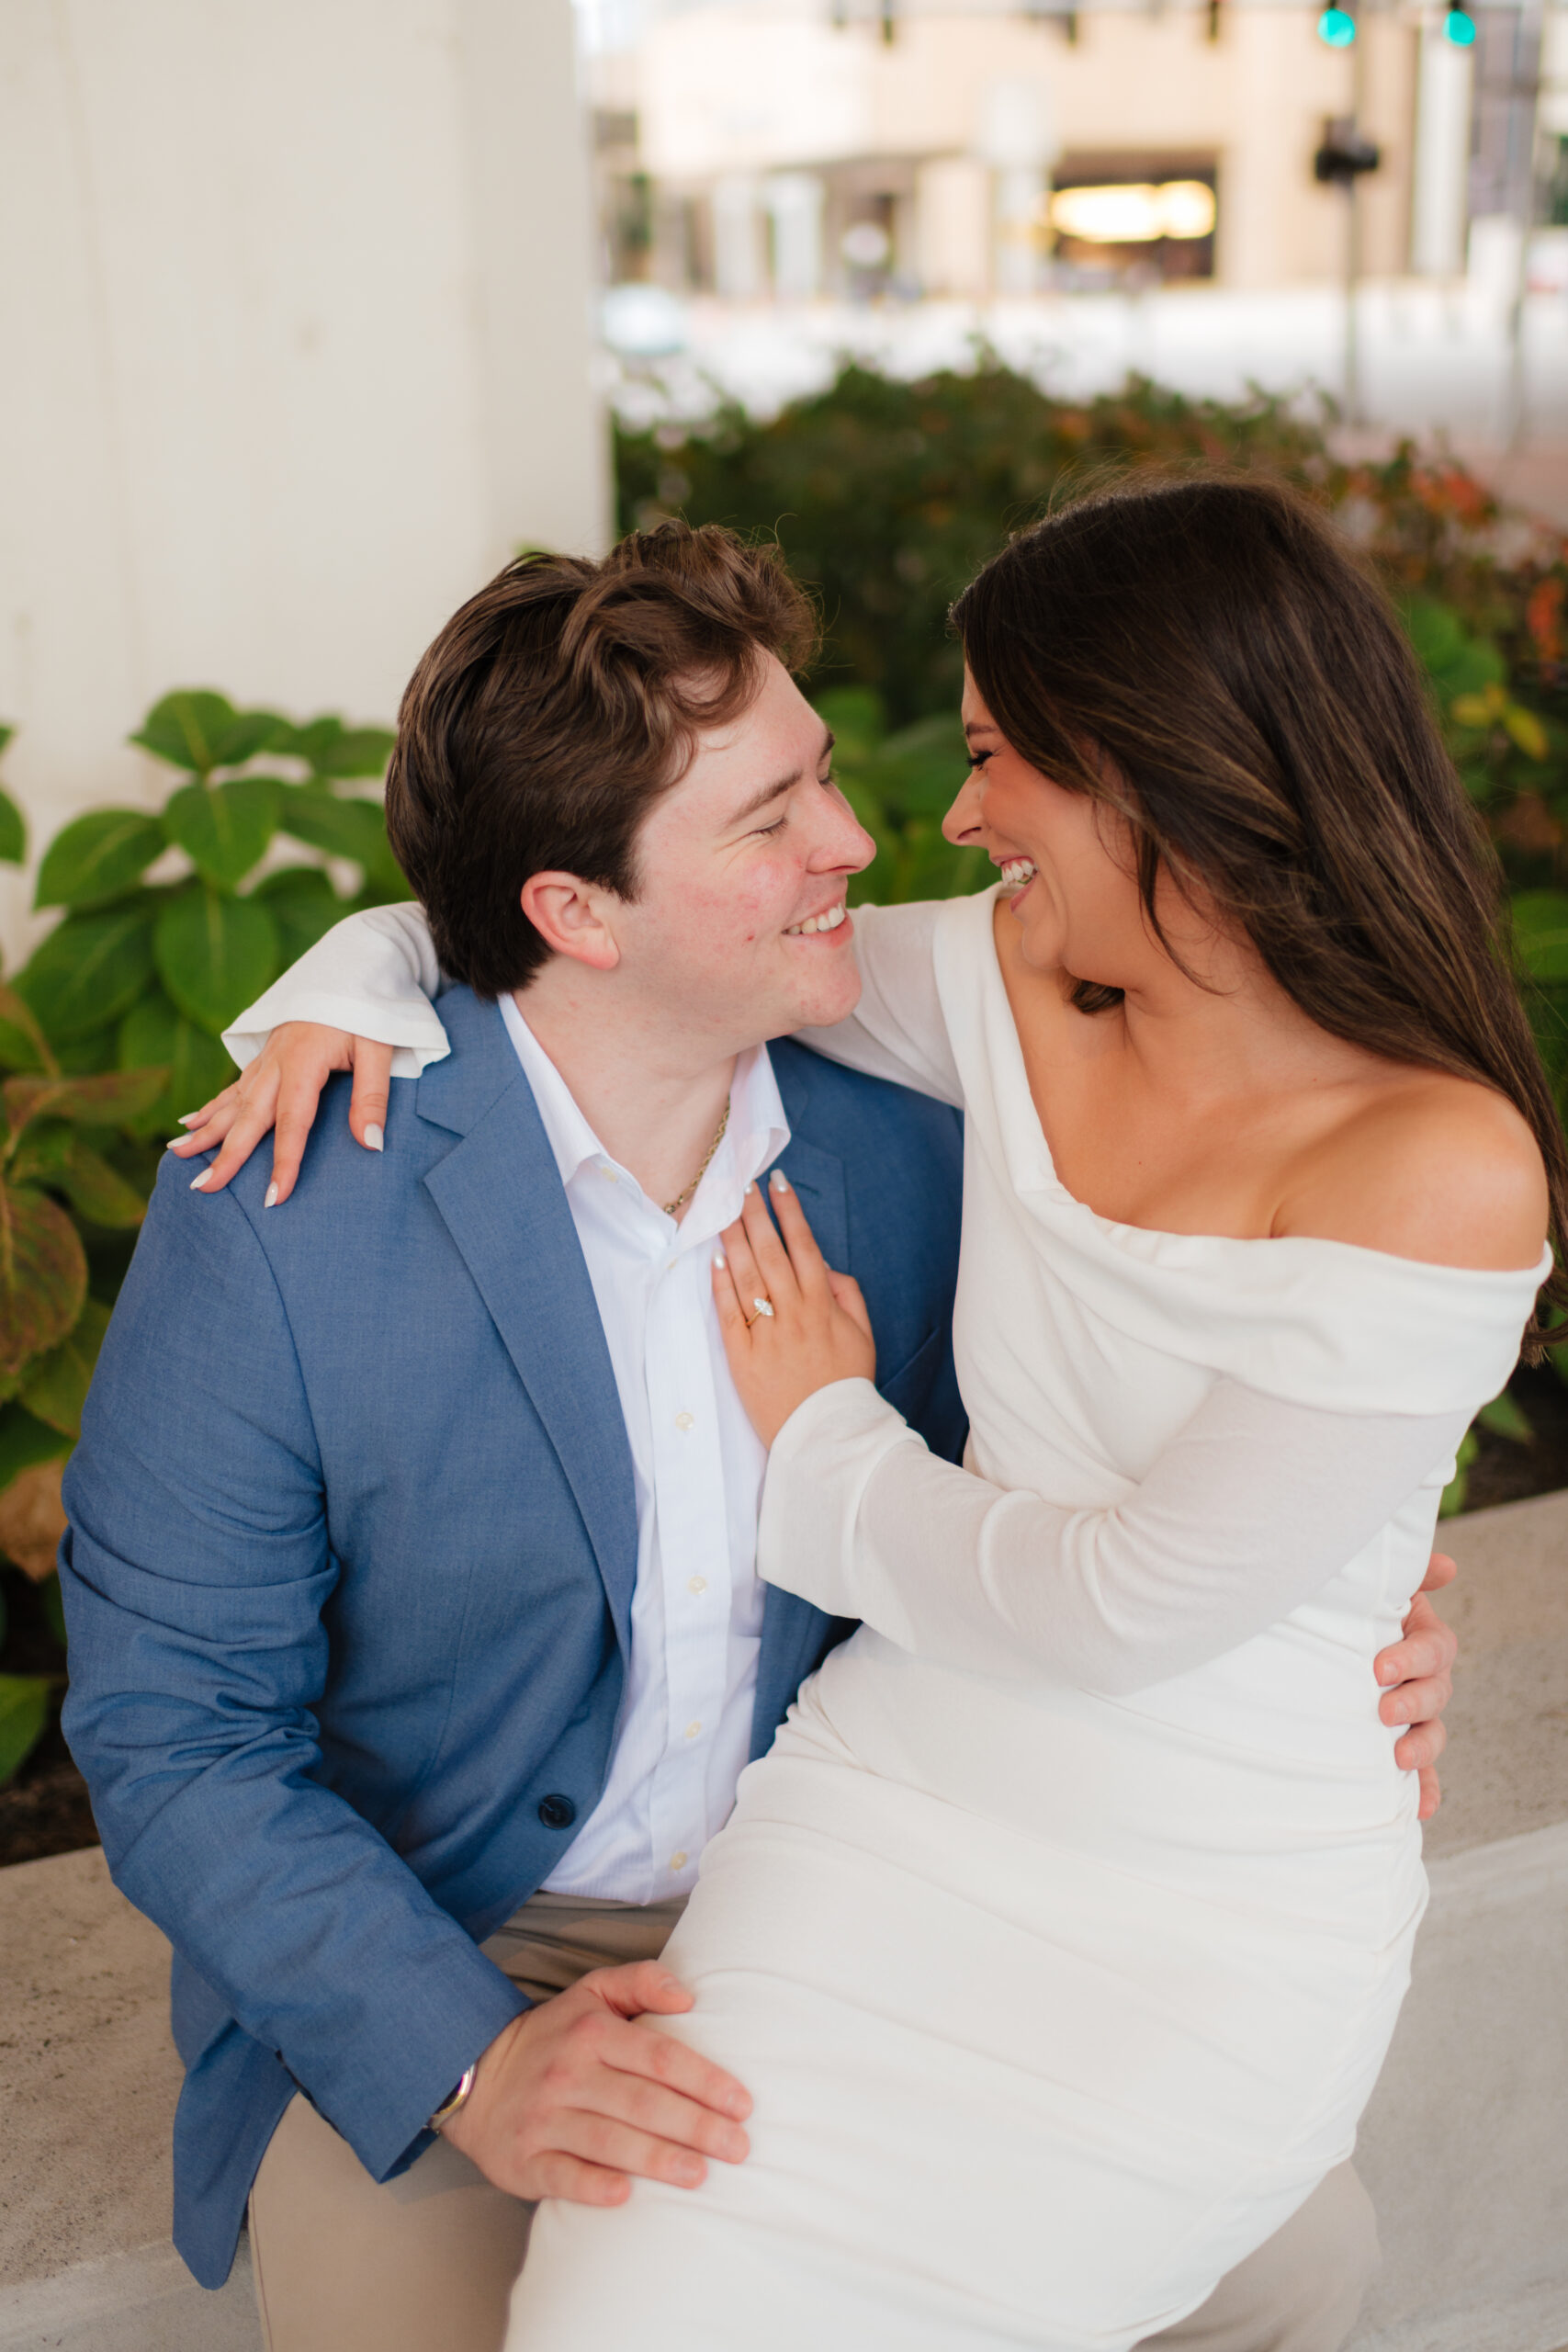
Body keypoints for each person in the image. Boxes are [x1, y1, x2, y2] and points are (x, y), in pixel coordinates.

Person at [177, 499, 1473, 2352]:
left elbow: (1180, 1438)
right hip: (470, 1932)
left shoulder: (922, 1106)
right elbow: (174, 1730)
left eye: (847, 780)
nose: (870, 839)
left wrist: (1358, 1599)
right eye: (772, 817)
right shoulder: (293, 1204)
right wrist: (464, 2063)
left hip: (925, 1862)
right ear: (572, 908)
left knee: (1299, 2262)